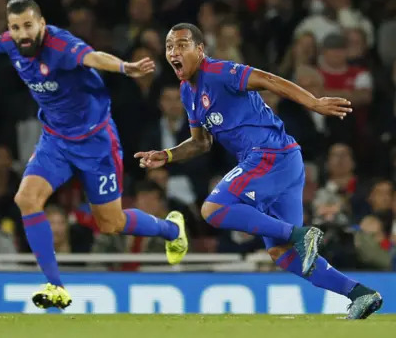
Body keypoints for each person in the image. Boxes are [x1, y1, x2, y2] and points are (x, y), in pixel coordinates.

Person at [0, 0, 188, 310]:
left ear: (42, 24)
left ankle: (172, 228)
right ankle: (55, 285)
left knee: (111, 223)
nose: (22, 33)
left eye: (28, 26)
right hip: (56, 141)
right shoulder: (12, 43)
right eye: (15, 27)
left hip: (96, 142)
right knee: (26, 199)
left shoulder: (60, 45)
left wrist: (124, 67)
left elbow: (92, 57)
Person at [135, 23, 382, 320]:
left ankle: (301, 234)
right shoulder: (188, 92)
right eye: (169, 46)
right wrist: (168, 154)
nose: (174, 51)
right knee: (284, 254)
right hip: (281, 162)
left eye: (182, 44)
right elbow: (201, 143)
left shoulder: (219, 71)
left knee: (213, 208)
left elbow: (267, 80)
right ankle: (361, 294)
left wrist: (313, 102)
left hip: (269, 155)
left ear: (200, 51)